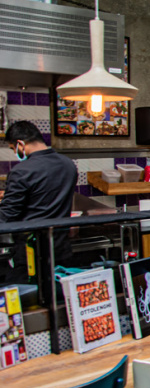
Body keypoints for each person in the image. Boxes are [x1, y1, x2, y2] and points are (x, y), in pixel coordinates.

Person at [0, 121, 77, 283]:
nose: (15, 152)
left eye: (13, 148)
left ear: (20, 144)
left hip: (31, 251)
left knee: (28, 297)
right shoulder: (68, 165)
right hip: (61, 247)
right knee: (59, 294)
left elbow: (8, 214)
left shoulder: (21, 171)